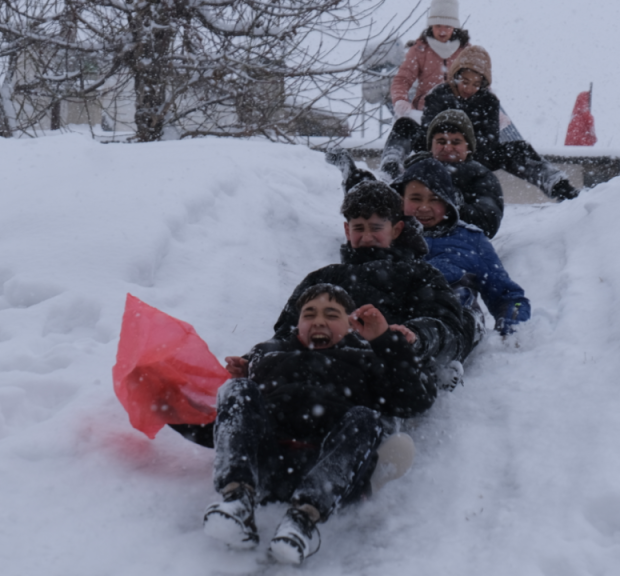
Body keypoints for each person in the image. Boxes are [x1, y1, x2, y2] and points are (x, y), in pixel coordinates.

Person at [204, 283, 430, 564]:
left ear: (351, 325)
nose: (319, 320)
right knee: (236, 391)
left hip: (329, 465)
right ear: (297, 323)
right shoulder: (268, 357)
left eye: (332, 314)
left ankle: (303, 519)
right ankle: (236, 498)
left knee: (366, 418)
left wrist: (385, 342)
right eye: (309, 314)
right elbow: (234, 420)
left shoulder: (366, 359)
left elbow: (413, 401)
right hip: (268, 461)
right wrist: (242, 373)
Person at [272, 180, 471, 391]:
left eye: (376, 228)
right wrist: (257, 358)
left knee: (465, 318)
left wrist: (415, 335)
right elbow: (286, 331)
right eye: (359, 228)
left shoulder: (419, 275)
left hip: (392, 375)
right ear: (347, 230)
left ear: (396, 230)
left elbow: (448, 329)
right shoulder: (324, 277)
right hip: (327, 370)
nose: (366, 237)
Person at [417, 46, 580, 201]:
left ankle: (558, 185)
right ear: (456, 76)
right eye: (465, 82)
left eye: (476, 84)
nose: (469, 88)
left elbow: (489, 140)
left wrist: (466, 150)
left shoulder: (488, 101)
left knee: (519, 149)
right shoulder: (439, 94)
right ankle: (392, 167)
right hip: (439, 154)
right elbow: (428, 130)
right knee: (406, 126)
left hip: (475, 156)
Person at [391, 157, 531, 337]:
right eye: (415, 198)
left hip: (456, 325)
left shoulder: (471, 240)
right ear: (401, 199)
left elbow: (508, 296)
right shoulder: (387, 236)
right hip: (397, 325)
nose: (424, 207)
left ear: (448, 203)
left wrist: (513, 323)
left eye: (435, 199)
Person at [329, 108, 504, 238]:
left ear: (468, 146)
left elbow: (488, 223)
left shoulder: (480, 176)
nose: (447, 147)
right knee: (370, 192)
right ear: (431, 145)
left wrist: (451, 203)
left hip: (452, 243)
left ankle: (383, 172)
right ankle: (371, 172)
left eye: (456, 142)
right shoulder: (418, 168)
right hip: (406, 238)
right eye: (441, 141)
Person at [380, 0, 470, 175]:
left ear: (455, 27)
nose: (442, 31)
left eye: (447, 26)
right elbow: (402, 79)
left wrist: (493, 110)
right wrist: (400, 100)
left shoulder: (466, 52)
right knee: (405, 126)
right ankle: (392, 159)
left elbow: (479, 85)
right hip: (424, 115)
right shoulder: (420, 50)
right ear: (431, 26)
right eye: (437, 26)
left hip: (457, 116)